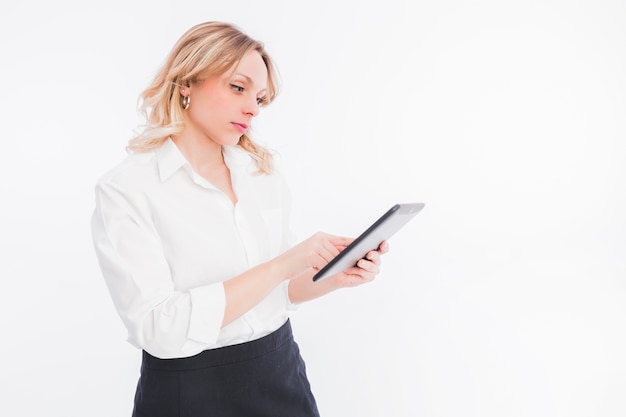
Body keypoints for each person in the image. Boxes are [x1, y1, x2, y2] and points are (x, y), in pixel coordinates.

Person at [91, 21, 389, 417]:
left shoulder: (259, 173)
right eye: (238, 87)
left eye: (260, 98)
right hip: (189, 391)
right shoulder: (127, 189)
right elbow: (158, 329)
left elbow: (278, 291)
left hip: (281, 373)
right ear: (186, 83)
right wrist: (283, 263)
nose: (252, 107)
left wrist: (333, 276)